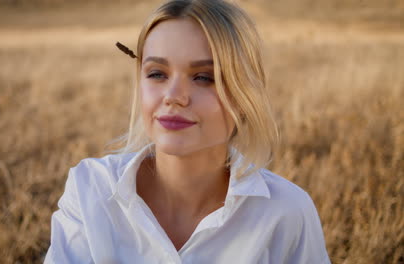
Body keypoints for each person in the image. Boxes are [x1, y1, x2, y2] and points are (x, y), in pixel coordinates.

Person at [44, 0, 331, 263]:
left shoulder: (287, 212)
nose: (174, 96)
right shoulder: (89, 189)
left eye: (204, 77)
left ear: (245, 96)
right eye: (157, 73)